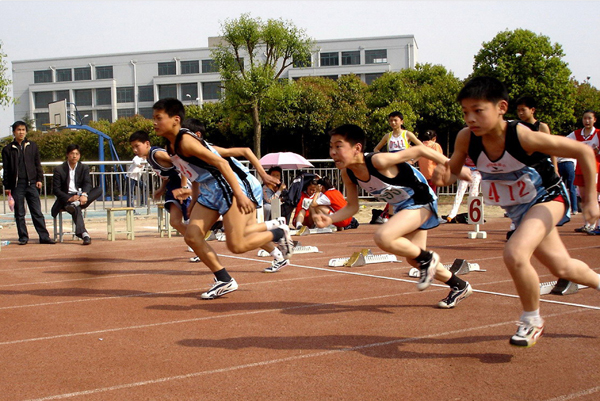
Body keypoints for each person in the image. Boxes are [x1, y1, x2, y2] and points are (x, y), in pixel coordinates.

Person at [433, 76, 600, 347]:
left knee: (515, 252)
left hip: (548, 198)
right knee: (562, 266)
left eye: (478, 110)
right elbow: (453, 172)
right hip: (520, 211)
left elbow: (583, 151)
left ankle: (532, 320)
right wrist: (444, 177)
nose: (471, 118)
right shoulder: (466, 138)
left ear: (501, 107)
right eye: (465, 112)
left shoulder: (521, 135)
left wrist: (590, 200)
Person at [315, 123, 474, 310]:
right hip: (403, 207)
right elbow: (352, 207)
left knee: (384, 237)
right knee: (414, 258)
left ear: (357, 148)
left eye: (338, 146)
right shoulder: (348, 173)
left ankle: (428, 259)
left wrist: (454, 168)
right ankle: (459, 285)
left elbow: (421, 150)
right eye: (331, 147)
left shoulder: (378, 161)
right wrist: (330, 219)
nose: (333, 152)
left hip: (421, 200)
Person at [153, 98, 293, 299]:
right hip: (209, 191)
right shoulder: (171, 145)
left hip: (226, 187)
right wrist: (194, 200)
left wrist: (240, 194)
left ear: (176, 119)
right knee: (192, 236)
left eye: (159, 118)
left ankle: (278, 233)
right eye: (154, 118)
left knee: (237, 245)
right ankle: (224, 280)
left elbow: (223, 163)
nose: (154, 123)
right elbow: (194, 174)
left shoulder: (186, 141)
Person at [181, 117, 290, 272]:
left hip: (244, 186)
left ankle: (277, 228)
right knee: (248, 231)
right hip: (229, 190)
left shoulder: (208, 149)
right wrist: (194, 199)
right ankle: (278, 252)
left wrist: (264, 175)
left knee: (241, 235)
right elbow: (196, 178)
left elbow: (245, 151)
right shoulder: (188, 154)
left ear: (196, 135)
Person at [128, 131, 192, 239]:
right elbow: (168, 174)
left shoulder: (157, 154)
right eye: (132, 147)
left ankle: (209, 232)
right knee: (175, 222)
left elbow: (182, 164)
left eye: (137, 146)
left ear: (147, 144)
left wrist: (184, 187)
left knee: (189, 220)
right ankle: (195, 241)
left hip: (184, 182)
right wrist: (162, 189)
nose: (134, 150)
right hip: (173, 185)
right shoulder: (149, 158)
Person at [1, 121, 55, 245]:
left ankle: (44, 237)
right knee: (19, 213)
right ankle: (23, 237)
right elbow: (6, 169)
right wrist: (7, 186)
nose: (21, 132)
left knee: (37, 212)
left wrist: (39, 179)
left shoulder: (32, 146)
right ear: (14, 132)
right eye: (18, 130)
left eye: (23, 130)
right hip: (17, 185)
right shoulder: (7, 149)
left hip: (31, 184)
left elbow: (37, 164)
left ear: (26, 131)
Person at [51, 144, 102, 245]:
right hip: (66, 199)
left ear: (79, 155)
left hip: (81, 197)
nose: (74, 156)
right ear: (67, 155)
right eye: (72, 153)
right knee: (75, 209)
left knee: (99, 190)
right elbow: (56, 190)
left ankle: (76, 203)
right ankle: (84, 234)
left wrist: (84, 194)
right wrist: (70, 198)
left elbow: (87, 183)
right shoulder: (59, 169)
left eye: (77, 154)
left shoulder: (84, 168)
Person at [566, 110, 600, 234]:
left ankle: (594, 224)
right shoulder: (576, 134)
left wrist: (597, 151)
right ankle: (587, 223)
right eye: (585, 118)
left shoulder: (598, 133)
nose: (587, 121)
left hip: (594, 169)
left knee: (593, 198)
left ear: (594, 120)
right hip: (580, 169)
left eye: (589, 118)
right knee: (584, 198)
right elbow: (565, 142)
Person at [442, 155, 481, 224]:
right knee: (460, 192)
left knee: (473, 194)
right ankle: (452, 214)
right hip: (466, 170)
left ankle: (473, 214)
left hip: (476, 171)